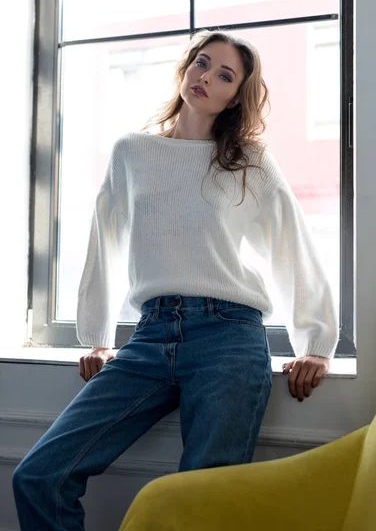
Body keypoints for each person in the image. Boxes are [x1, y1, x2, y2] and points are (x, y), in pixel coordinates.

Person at [12, 29, 339, 530]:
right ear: (186, 68)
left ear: (235, 97)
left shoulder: (249, 162)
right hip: (150, 337)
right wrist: (97, 337)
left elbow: (292, 246)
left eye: (224, 75)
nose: (206, 77)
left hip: (229, 338)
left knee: (199, 505)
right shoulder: (132, 152)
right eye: (201, 63)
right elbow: (105, 239)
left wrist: (316, 342)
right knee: (39, 476)